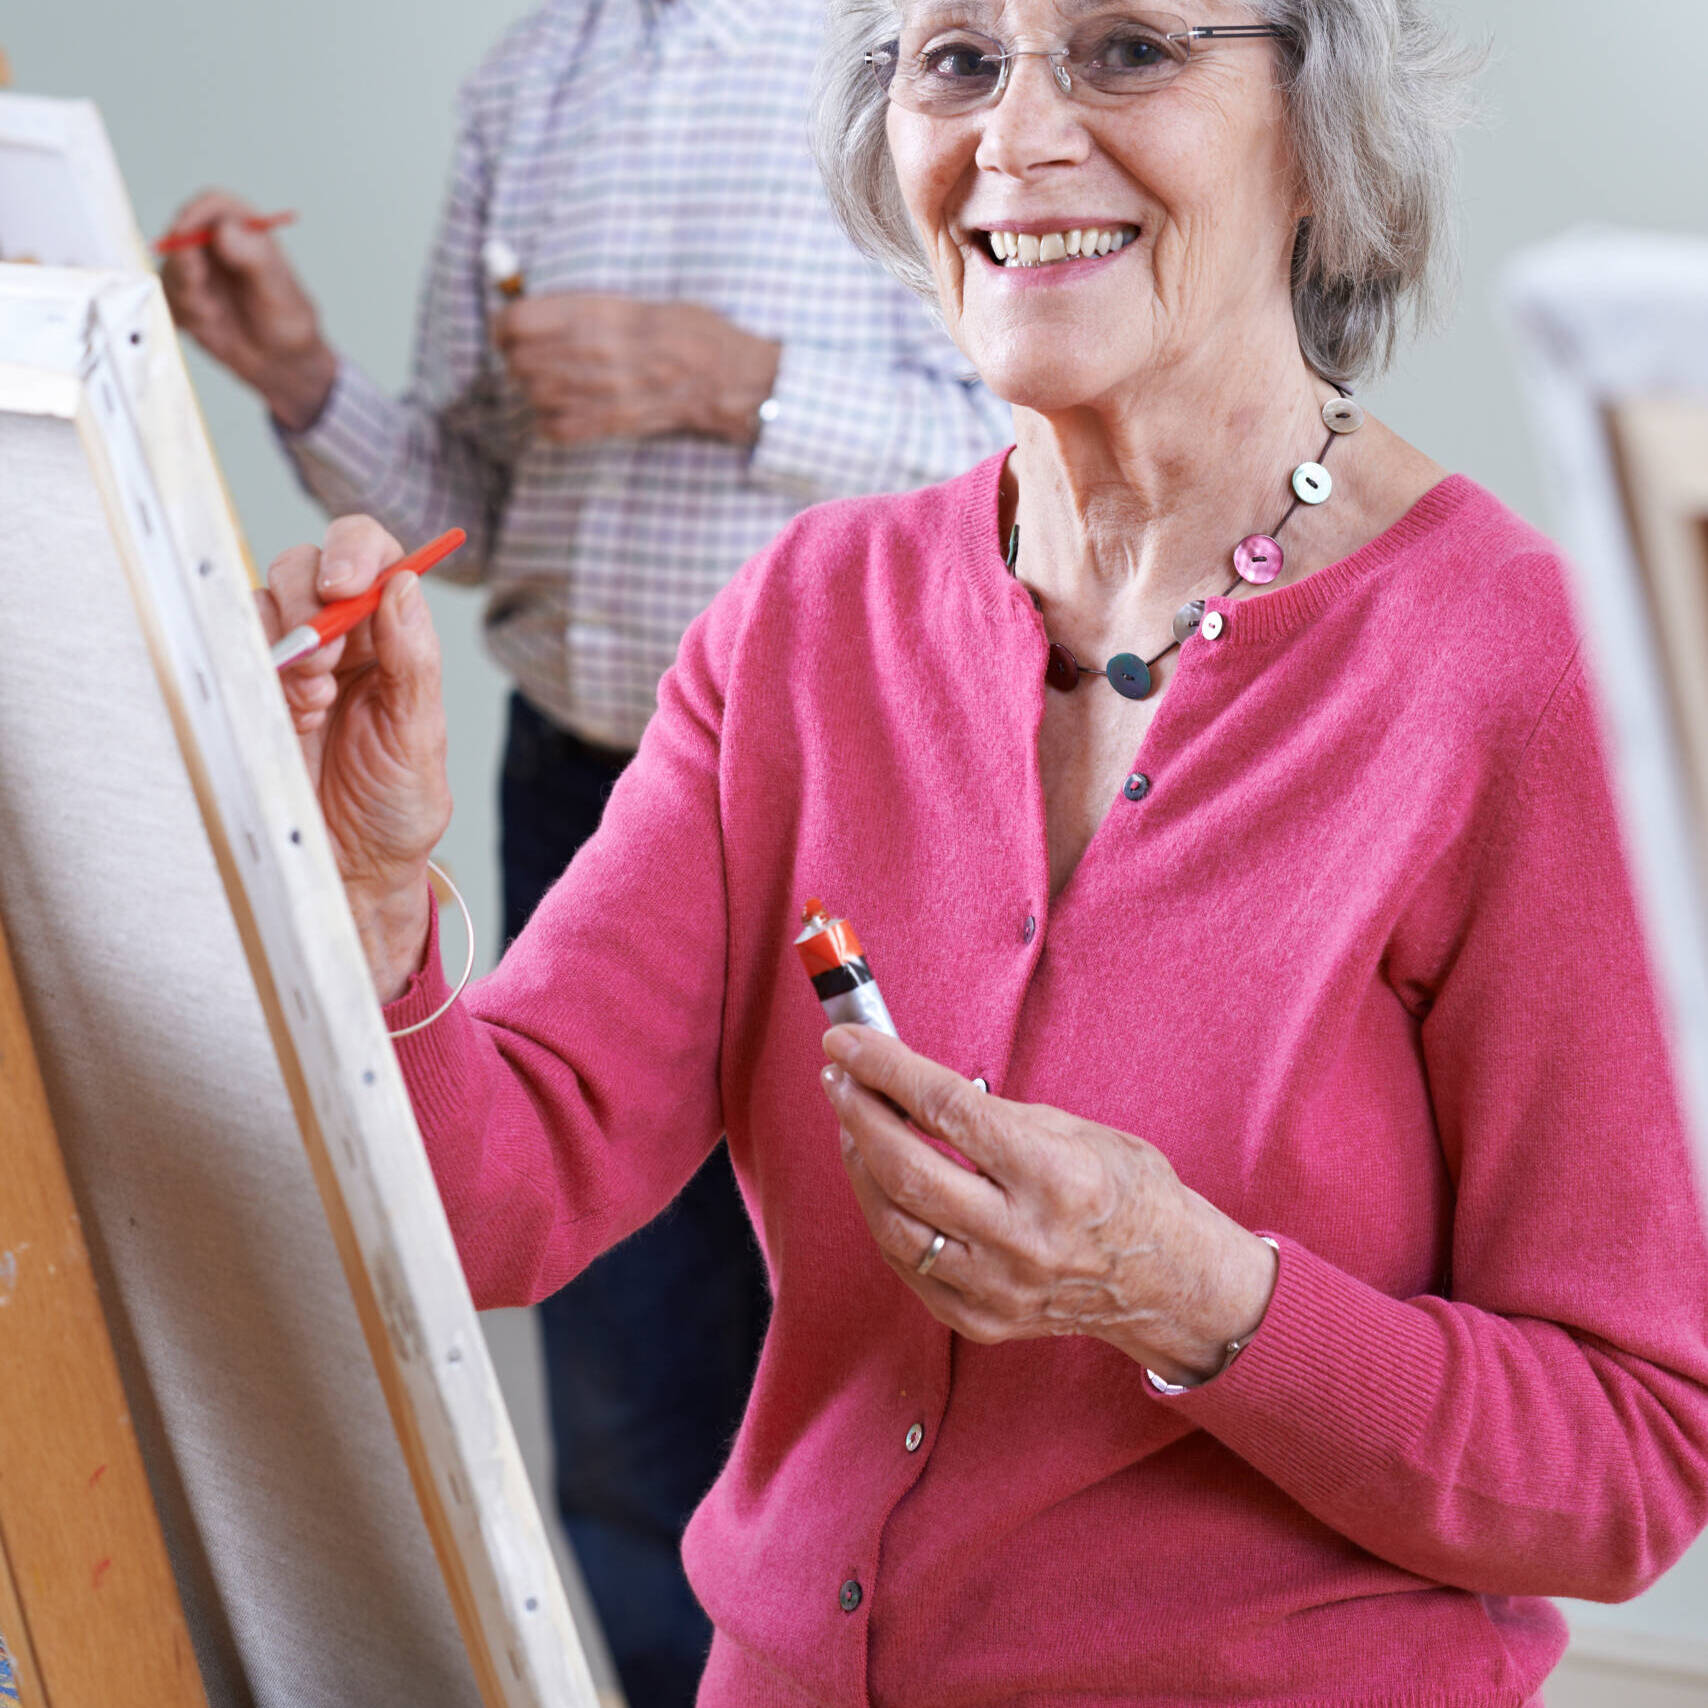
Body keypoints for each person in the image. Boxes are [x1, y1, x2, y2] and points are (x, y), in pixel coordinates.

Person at [252, 0, 1708, 1700]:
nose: (1015, 136)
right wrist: (362, 912)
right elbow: (498, 1200)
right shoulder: (806, 616)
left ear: (1322, 130)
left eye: (1128, 51)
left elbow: (1623, 1466)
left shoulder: (1525, 674)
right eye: (957, 58)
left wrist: (1194, 1294)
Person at [159, 3, 1010, 1699]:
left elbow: (1049, 449)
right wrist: (299, 376)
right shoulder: (526, 82)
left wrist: (737, 381)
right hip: (584, 794)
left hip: (882, 801)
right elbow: (470, 498)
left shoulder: (940, 51)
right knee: (620, 1380)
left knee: (874, 1343)